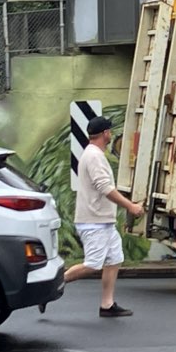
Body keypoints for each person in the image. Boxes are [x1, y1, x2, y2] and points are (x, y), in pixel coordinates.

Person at [64, 115, 144, 317]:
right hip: (94, 221)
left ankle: (107, 305)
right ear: (105, 134)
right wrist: (131, 206)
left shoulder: (93, 154)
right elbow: (105, 188)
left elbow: (104, 188)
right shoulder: (94, 157)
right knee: (93, 264)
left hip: (103, 221)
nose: (111, 134)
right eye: (110, 131)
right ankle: (54, 283)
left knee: (114, 258)